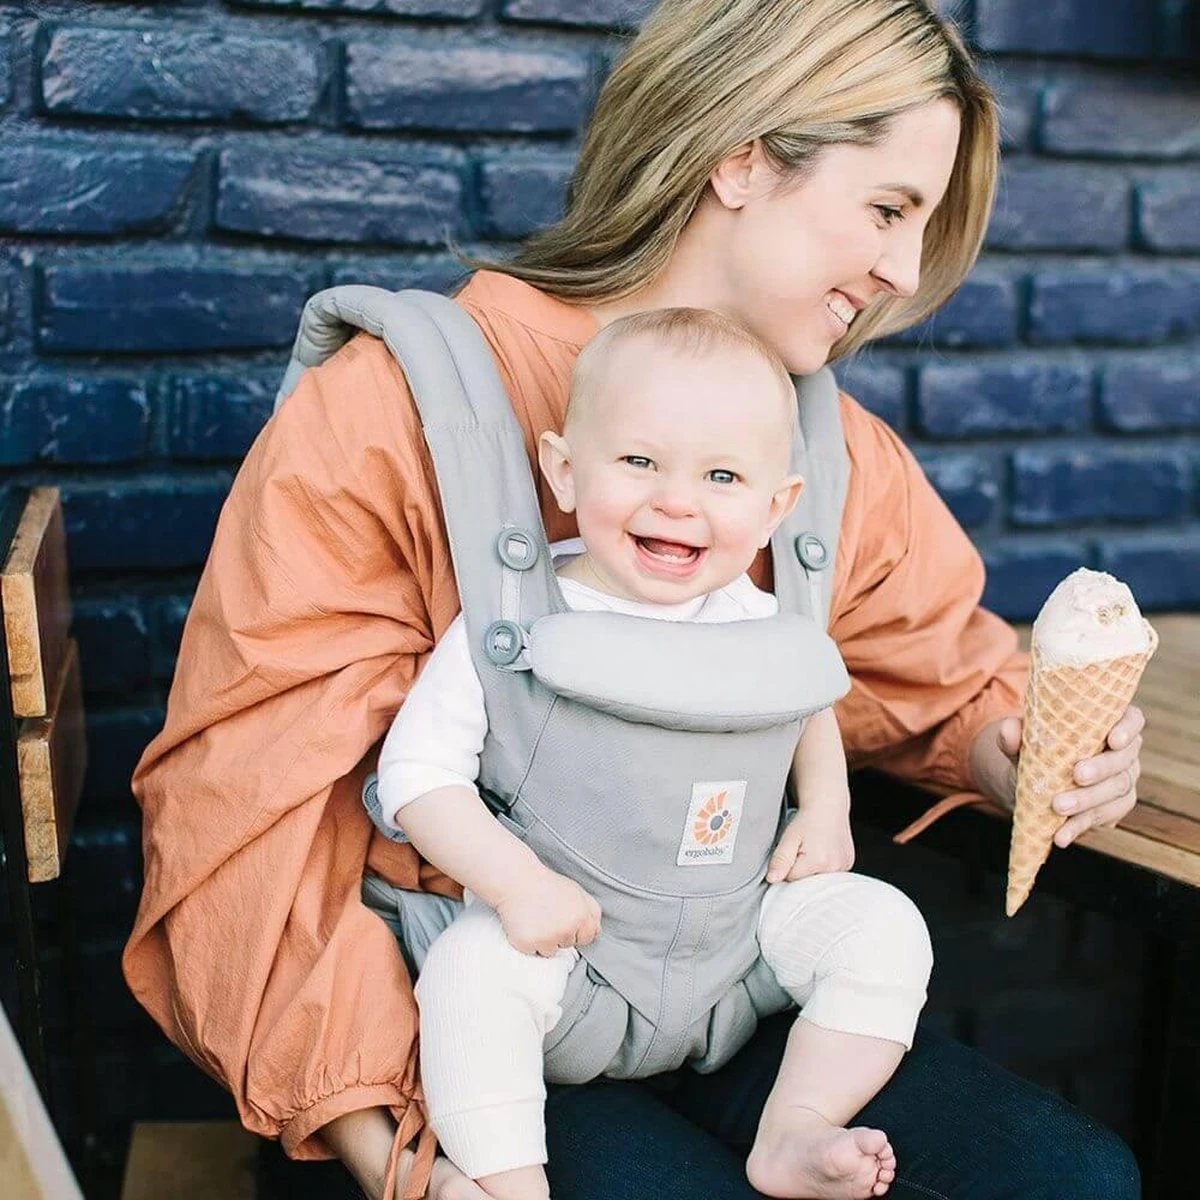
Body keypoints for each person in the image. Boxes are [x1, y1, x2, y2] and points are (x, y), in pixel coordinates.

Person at [123, 1, 1146, 1198]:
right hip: (449, 1026)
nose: (906, 274)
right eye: (888, 209)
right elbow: (248, 831)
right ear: (741, 160)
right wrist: (411, 1169)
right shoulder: (389, 411)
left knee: (1070, 1177)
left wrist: (1019, 754)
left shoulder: (830, 454)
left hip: (721, 978)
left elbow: (932, 673)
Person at [373, 306, 931, 1200]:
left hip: (737, 951)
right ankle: (509, 1184)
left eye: (722, 475)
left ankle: (796, 1127)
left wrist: (827, 809)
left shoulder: (761, 620)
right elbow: (416, 777)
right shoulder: (515, 622)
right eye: (638, 462)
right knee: (468, 973)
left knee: (885, 923)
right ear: (564, 470)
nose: (677, 500)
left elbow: (808, 710)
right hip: (572, 964)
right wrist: (516, 886)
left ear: (776, 507)